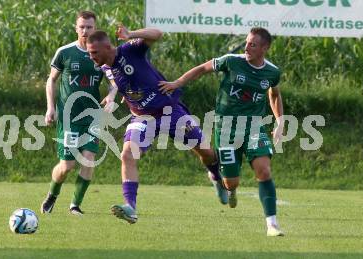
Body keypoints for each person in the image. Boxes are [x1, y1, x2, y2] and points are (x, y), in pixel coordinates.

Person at [86, 25, 228, 224]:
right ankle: (131, 207)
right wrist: (111, 96)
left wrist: (131, 35)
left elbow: (158, 34)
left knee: (205, 152)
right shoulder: (104, 66)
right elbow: (116, 82)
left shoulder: (129, 49)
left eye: (94, 52)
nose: (91, 55)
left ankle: (215, 176)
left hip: (169, 110)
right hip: (142, 117)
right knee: (127, 154)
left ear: (108, 47)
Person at [159, 27, 285, 236]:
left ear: (265, 48)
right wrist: (177, 83)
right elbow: (202, 68)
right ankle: (228, 187)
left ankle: (272, 224)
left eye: (252, 44)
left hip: (254, 127)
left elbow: (274, 93)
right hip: (226, 128)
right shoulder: (231, 61)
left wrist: (280, 120)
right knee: (231, 182)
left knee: (264, 170)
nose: (246, 47)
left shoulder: (272, 72)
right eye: (246, 42)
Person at [40, 11, 104, 216]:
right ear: (76, 28)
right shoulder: (65, 52)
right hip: (69, 117)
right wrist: (51, 107)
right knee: (67, 165)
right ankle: (52, 194)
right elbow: (51, 80)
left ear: (95, 29)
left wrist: (112, 95)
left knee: (89, 158)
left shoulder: (102, 53)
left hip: (93, 116)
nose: (85, 31)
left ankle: (75, 205)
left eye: (89, 27)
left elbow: (115, 82)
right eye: (82, 27)